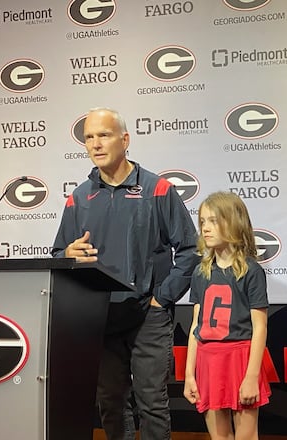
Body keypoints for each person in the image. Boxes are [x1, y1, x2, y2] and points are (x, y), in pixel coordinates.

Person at [51, 107, 200, 440]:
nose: (95, 144)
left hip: (149, 314)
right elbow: (59, 253)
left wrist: (163, 297)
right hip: (100, 317)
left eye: (103, 135)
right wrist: (68, 254)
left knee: (152, 403)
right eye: (89, 137)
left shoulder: (158, 189)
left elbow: (191, 250)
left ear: (125, 139)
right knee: (111, 404)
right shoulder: (78, 197)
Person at [183, 191, 270, 440]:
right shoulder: (201, 273)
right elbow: (195, 327)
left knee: (245, 437)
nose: (206, 228)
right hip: (208, 360)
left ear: (233, 222)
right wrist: (190, 374)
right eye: (202, 222)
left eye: (213, 221)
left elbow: (260, 327)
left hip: (240, 358)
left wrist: (252, 375)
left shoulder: (251, 271)